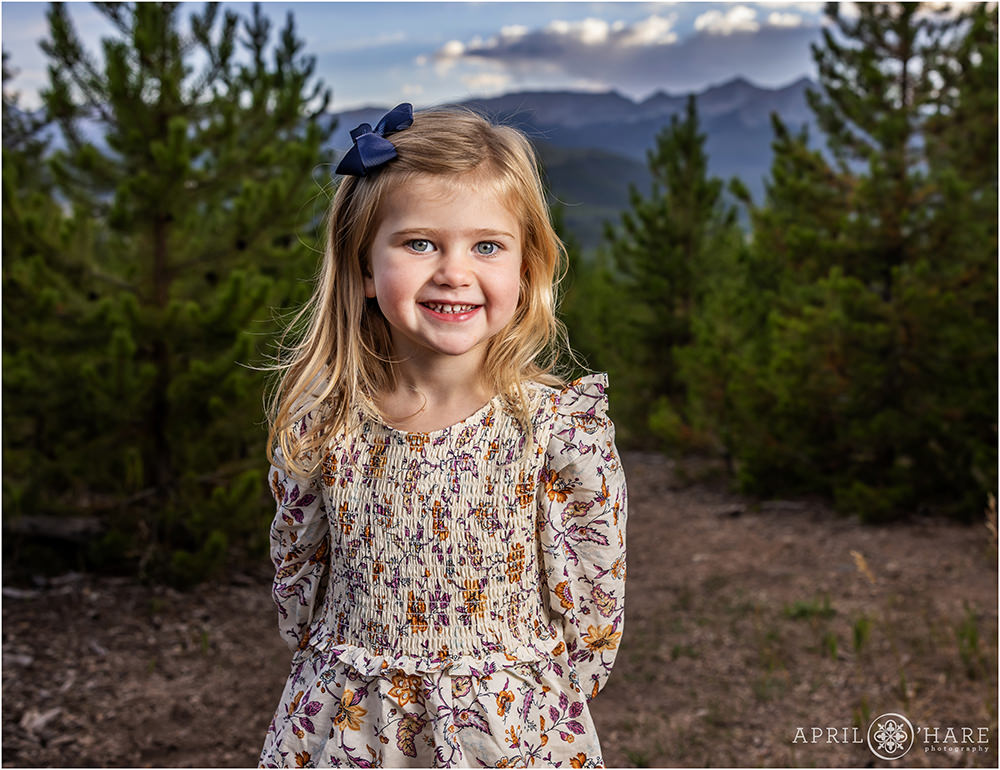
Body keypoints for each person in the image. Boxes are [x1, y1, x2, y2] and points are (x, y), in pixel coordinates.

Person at [259, 103, 627, 769]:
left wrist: (558, 695)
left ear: (526, 266)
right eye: (419, 243)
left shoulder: (554, 432)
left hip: (507, 732)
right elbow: (297, 580)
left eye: (487, 246)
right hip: (352, 727)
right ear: (365, 267)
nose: (455, 271)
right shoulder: (331, 425)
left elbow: (592, 601)